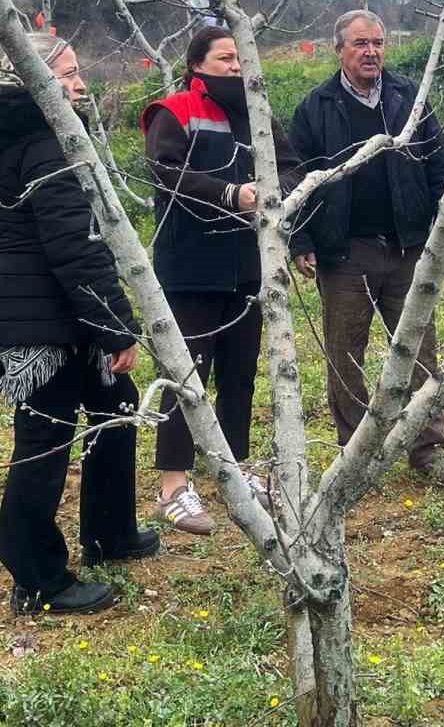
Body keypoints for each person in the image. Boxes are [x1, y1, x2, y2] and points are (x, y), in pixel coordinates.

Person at [0, 33, 159, 617]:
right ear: (31, 82)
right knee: (44, 441)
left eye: (77, 71)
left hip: (51, 308)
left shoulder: (2, 137)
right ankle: (36, 578)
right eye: (66, 74)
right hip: (44, 316)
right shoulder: (41, 142)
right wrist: (117, 327)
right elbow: (75, 245)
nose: (80, 84)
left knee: (116, 407)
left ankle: (110, 533)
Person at [288, 10, 444, 486]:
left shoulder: (407, 97)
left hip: (409, 248)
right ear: (339, 50)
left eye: (378, 43)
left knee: (420, 351)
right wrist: (300, 239)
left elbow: (438, 163)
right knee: (346, 357)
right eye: (360, 44)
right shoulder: (315, 107)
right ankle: (354, 456)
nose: (372, 52)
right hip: (345, 254)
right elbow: (297, 177)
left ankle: (427, 451)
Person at [143, 26, 302, 535]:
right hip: (190, 268)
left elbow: (293, 166)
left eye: (240, 58)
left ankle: (237, 469)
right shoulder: (176, 111)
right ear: (197, 65)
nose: (236, 66)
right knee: (187, 377)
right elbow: (164, 173)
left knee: (240, 374)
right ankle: (173, 485)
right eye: (225, 58)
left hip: (248, 268)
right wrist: (231, 194)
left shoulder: (258, 112)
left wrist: (281, 196)